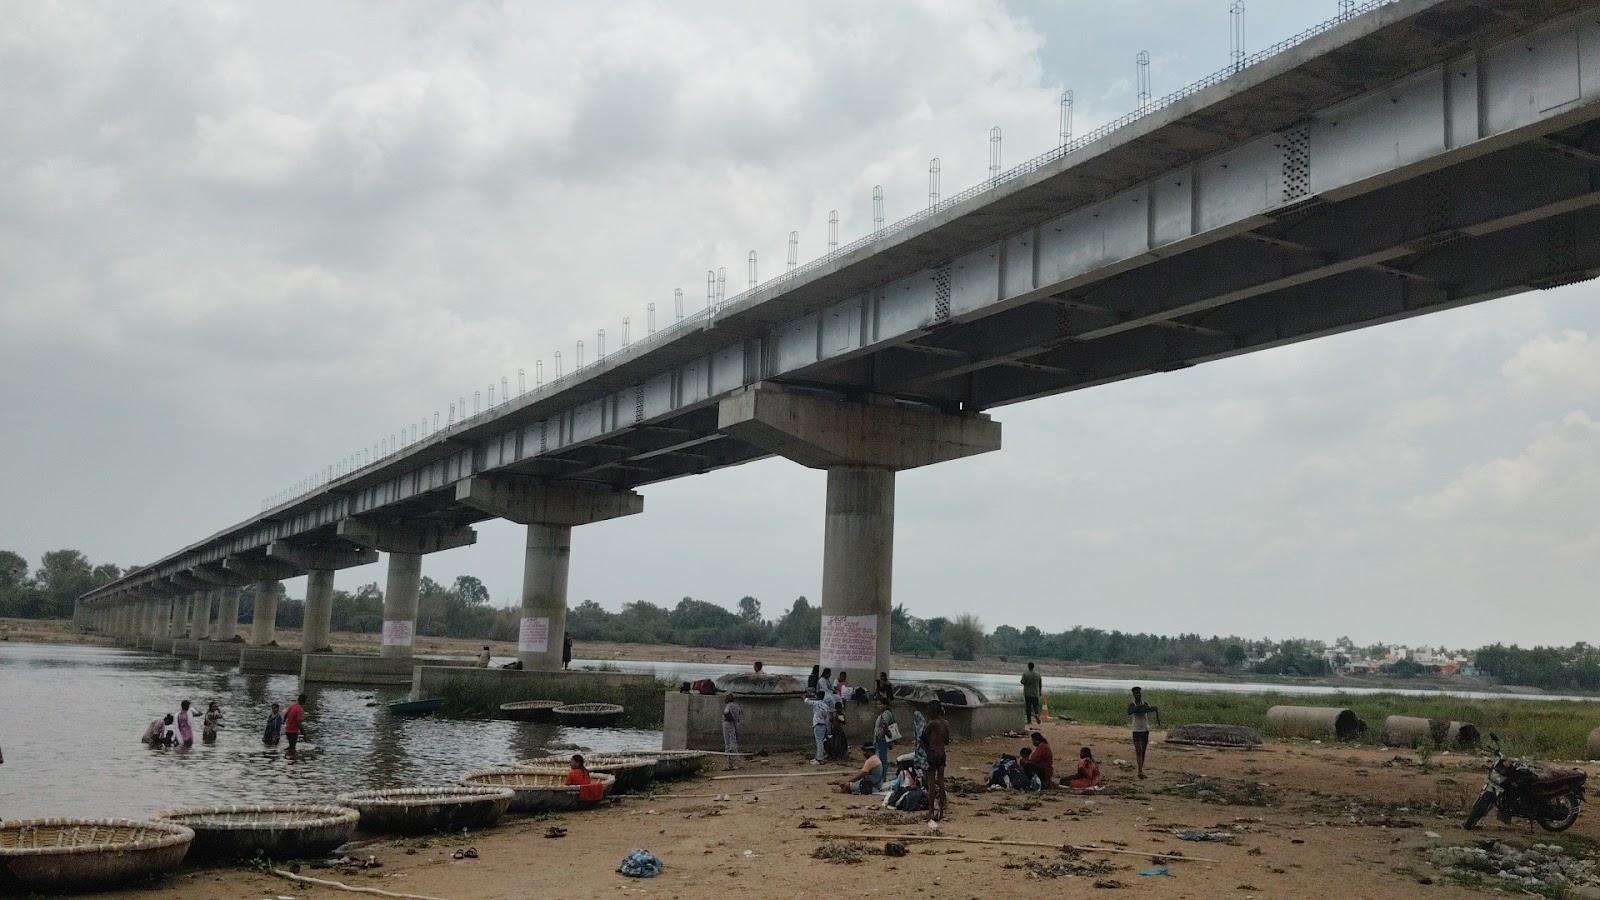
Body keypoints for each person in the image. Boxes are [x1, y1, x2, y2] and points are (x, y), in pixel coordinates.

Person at [922, 701, 951, 822]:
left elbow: (923, 737)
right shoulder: (945, 723)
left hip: (932, 754)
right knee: (941, 781)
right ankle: (942, 810)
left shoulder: (931, 724)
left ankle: (931, 811)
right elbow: (947, 741)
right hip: (941, 754)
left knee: (931, 783)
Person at [1127, 687, 1160, 779]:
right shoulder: (1132, 705)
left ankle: (1140, 769)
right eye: (1136, 693)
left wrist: (1147, 708)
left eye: (1139, 693)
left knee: (1143, 751)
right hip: (1136, 730)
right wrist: (1140, 708)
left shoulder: (1145, 704)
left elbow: (1148, 709)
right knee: (1138, 751)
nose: (1138, 695)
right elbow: (1130, 711)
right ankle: (1140, 770)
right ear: (1134, 695)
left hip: (1145, 730)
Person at [803, 689, 832, 765]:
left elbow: (807, 701)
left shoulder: (816, 703)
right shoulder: (826, 706)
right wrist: (827, 727)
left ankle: (819, 758)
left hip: (818, 724)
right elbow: (827, 718)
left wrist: (804, 697)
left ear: (817, 696)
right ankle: (819, 756)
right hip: (823, 725)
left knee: (819, 742)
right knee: (821, 741)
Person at [872, 698, 897, 779]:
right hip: (880, 739)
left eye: (880, 704)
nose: (878, 706)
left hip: (882, 740)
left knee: (882, 759)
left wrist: (881, 736)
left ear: (885, 705)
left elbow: (884, 725)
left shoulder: (886, 714)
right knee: (881, 758)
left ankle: (882, 777)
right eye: (877, 704)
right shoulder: (883, 714)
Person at [722, 694, 745, 770]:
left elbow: (726, 712)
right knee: (733, 742)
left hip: (728, 725)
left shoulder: (729, 705)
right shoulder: (735, 706)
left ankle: (730, 764)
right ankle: (735, 763)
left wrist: (731, 719)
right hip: (733, 724)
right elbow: (740, 712)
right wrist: (735, 719)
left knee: (729, 743)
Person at [1020, 662, 1043, 726]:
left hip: (1027, 693)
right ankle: (1036, 713)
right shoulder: (1038, 674)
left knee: (1028, 706)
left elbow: (1022, 681)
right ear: (1033, 667)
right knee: (1036, 705)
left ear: (1028, 666)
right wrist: (1040, 691)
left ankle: (1029, 720)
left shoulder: (1025, 673)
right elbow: (1040, 683)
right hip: (1035, 692)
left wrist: (1027, 683)